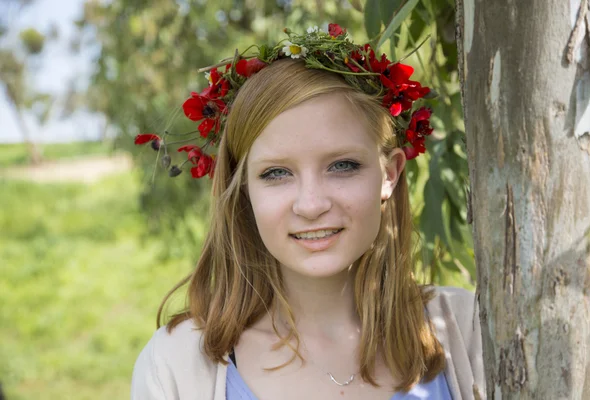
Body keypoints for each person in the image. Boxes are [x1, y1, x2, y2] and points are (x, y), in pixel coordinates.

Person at [132, 24, 485, 400]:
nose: (312, 205)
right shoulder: (177, 366)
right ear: (244, 186)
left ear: (389, 174)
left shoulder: (466, 330)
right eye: (277, 173)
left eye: (342, 165)